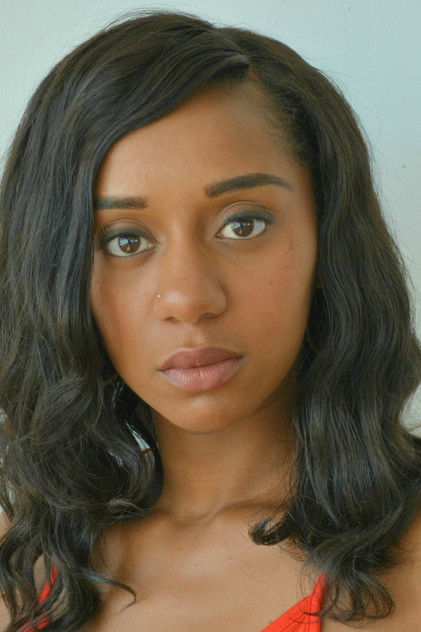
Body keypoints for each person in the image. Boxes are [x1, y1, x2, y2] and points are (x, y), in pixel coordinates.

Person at [0, 8, 420, 632]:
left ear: (328, 237)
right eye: (124, 240)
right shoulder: (22, 562)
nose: (188, 298)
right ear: (55, 273)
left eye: (242, 224)